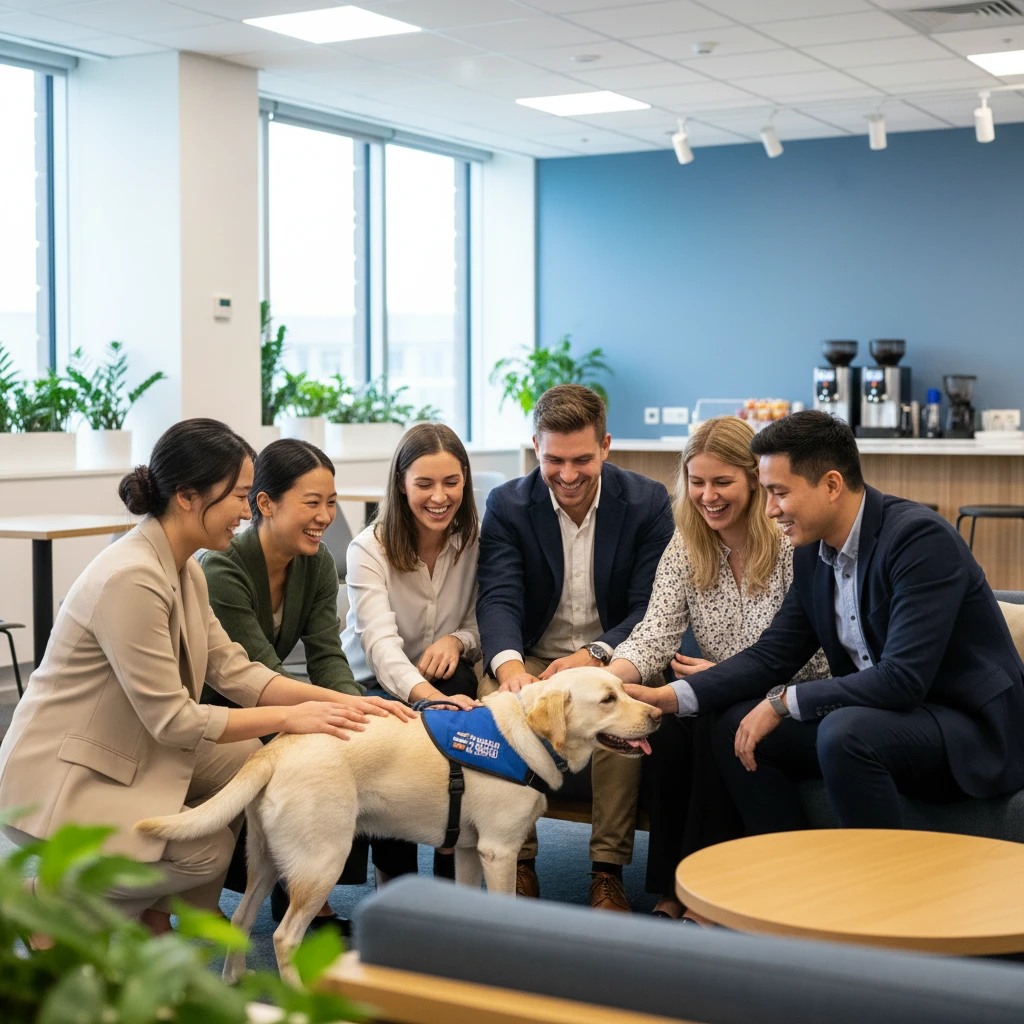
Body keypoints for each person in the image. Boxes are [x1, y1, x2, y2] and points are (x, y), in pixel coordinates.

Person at [0, 419, 412, 934]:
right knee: (207, 853)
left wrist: (350, 706)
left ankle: (146, 911)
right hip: (67, 775)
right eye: (240, 495)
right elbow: (172, 720)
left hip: (125, 749)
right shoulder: (132, 577)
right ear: (189, 497)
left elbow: (234, 668)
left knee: (249, 762)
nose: (246, 508)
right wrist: (293, 714)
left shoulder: (184, 568)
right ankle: (53, 899)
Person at [628, 410, 1024, 835]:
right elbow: (771, 655)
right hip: (882, 720)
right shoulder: (811, 553)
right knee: (733, 726)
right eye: (765, 492)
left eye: (779, 492)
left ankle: (875, 893)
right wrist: (665, 698)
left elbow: (902, 680)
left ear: (832, 484)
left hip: (966, 729)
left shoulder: (919, 540)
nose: (769, 509)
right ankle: (791, 880)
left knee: (844, 730)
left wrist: (782, 702)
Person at [605, 416, 829, 921]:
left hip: (796, 695)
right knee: (665, 726)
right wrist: (605, 682)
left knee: (712, 717)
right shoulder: (687, 542)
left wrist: (724, 677)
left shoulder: (791, 539)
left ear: (754, 478)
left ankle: (709, 892)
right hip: (715, 689)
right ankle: (671, 884)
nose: (708, 495)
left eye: (722, 481)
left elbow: (813, 656)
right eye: (697, 481)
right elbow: (655, 631)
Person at [476, 384, 675, 911]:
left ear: (606, 446)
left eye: (582, 459)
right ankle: (517, 859)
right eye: (553, 460)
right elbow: (499, 598)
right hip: (535, 656)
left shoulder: (648, 502)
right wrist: (510, 668)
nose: (568, 475)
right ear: (535, 448)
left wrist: (595, 656)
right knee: (491, 699)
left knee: (621, 704)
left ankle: (606, 870)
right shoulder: (508, 504)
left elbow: (649, 608)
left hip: (614, 652)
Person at [201, 438, 368, 930]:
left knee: (351, 740)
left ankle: (309, 888)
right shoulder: (223, 566)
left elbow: (326, 654)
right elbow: (257, 669)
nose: (325, 516)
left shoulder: (314, 563)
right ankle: (297, 890)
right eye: (312, 503)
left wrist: (356, 710)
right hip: (220, 704)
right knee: (316, 744)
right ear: (266, 503)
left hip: (269, 694)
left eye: (332, 502)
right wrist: (338, 712)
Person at [342, 422, 482, 880]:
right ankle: (394, 877)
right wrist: (426, 698)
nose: (439, 496)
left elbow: (488, 619)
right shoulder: (368, 548)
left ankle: (448, 856)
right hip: (370, 679)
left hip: (440, 673)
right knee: (386, 731)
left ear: (465, 479)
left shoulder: (476, 543)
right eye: (424, 484)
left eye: (451, 481)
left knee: (461, 682)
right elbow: (380, 647)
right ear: (401, 486)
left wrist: (457, 640)